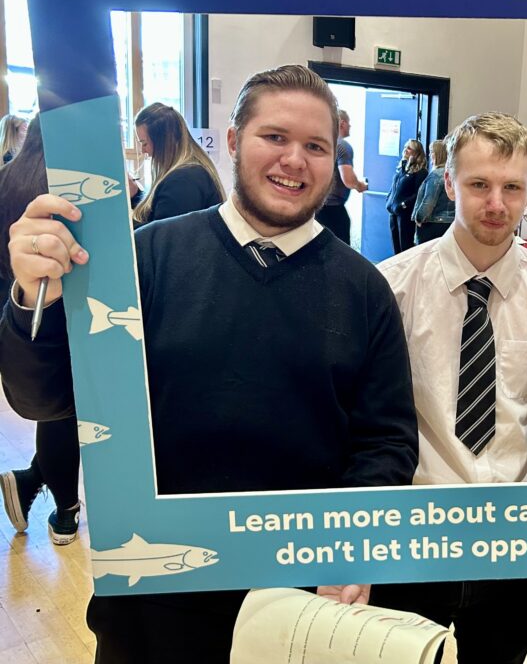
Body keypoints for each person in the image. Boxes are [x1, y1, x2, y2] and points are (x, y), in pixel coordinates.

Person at [0, 65, 419, 663]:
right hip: (152, 602)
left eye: (316, 146)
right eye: (274, 137)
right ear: (230, 141)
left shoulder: (364, 290)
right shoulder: (144, 258)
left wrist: (347, 544)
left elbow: (387, 441)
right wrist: (27, 299)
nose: (294, 160)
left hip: (296, 608)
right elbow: (42, 400)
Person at [374, 112, 527, 664]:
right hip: (418, 529)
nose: (497, 204)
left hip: (514, 533)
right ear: (448, 183)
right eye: (479, 185)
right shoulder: (392, 286)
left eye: (512, 187)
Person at [0, 117, 82, 545]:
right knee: (67, 412)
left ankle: (34, 480)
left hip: (17, 309)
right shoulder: (70, 190)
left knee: (58, 410)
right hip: (67, 308)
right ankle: (64, 509)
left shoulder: (7, 178)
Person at [131, 102, 225, 226]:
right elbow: (161, 213)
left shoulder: (184, 180)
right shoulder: (189, 173)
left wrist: (124, 225)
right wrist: (136, 194)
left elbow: (161, 238)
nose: (143, 150)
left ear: (163, 141)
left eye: (144, 143)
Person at [316, 109, 367, 244]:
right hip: (333, 209)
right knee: (339, 250)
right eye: (349, 123)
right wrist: (360, 185)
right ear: (342, 123)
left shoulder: (320, 143)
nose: (350, 126)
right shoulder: (342, 146)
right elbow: (349, 180)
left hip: (316, 207)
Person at [385, 138, 427, 254]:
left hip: (405, 215)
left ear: (416, 153)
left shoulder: (420, 172)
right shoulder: (402, 169)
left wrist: (403, 205)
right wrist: (389, 200)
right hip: (393, 212)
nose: (405, 150)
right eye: (405, 147)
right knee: (396, 248)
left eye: (409, 148)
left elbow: (419, 194)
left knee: (405, 248)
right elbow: (394, 188)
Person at [412, 139, 455, 244]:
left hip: (433, 225)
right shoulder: (454, 174)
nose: (430, 155)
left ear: (437, 155)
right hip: (451, 224)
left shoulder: (435, 175)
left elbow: (428, 202)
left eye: (431, 152)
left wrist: (419, 218)